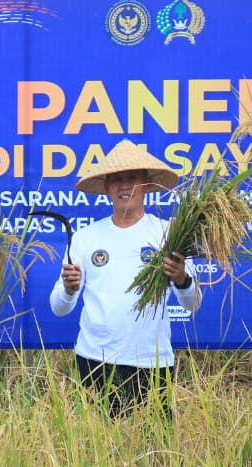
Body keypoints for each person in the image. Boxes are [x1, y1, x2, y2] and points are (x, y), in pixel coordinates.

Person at [50, 139, 200, 416]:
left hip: (151, 361)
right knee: (98, 449)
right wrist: (69, 290)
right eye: (117, 179)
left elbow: (192, 304)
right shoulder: (85, 237)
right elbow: (59, 308)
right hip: (95, 359)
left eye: (132, 178)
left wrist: (181, 278)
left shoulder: (168, 234)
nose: (125, 186)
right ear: (106, 187)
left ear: (147, 185)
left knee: (154, 449)